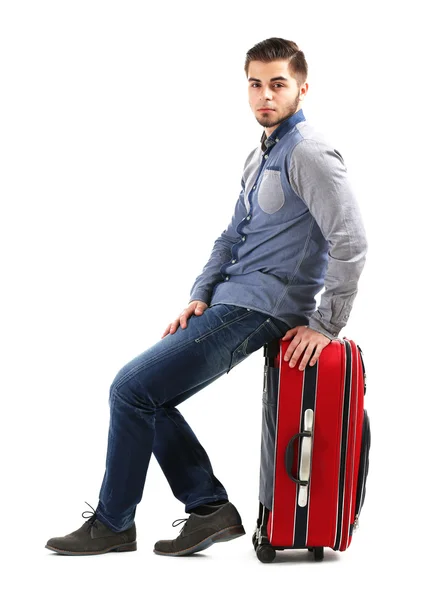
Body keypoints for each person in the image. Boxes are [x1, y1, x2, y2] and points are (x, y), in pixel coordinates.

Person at [45, 37, 368, 557]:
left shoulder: (310, 154)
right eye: (256, 84)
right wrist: (199, 295)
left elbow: (351, 239)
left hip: (263, 308)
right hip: (230, 302)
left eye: (279, 84)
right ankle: (207, 508)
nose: (266, 95)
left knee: (130, 389)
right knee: (145, 395)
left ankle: (115, 523)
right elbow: (230, 237)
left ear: (302, 89)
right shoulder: (261, 154)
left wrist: (327, 324)